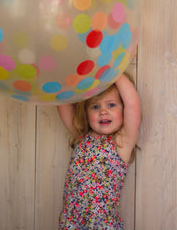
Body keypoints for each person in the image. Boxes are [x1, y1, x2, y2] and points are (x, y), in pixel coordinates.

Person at [57, 73, 141, 230]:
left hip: (102, 225)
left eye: (111, 105)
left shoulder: (122, 142)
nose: (103, 111)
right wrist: (69, 73)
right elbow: (61, 101)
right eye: (95, 106)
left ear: (123, 110)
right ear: (86, 113)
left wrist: (113, 70)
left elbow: (133, 103)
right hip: (71, 224)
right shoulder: (82, 137)